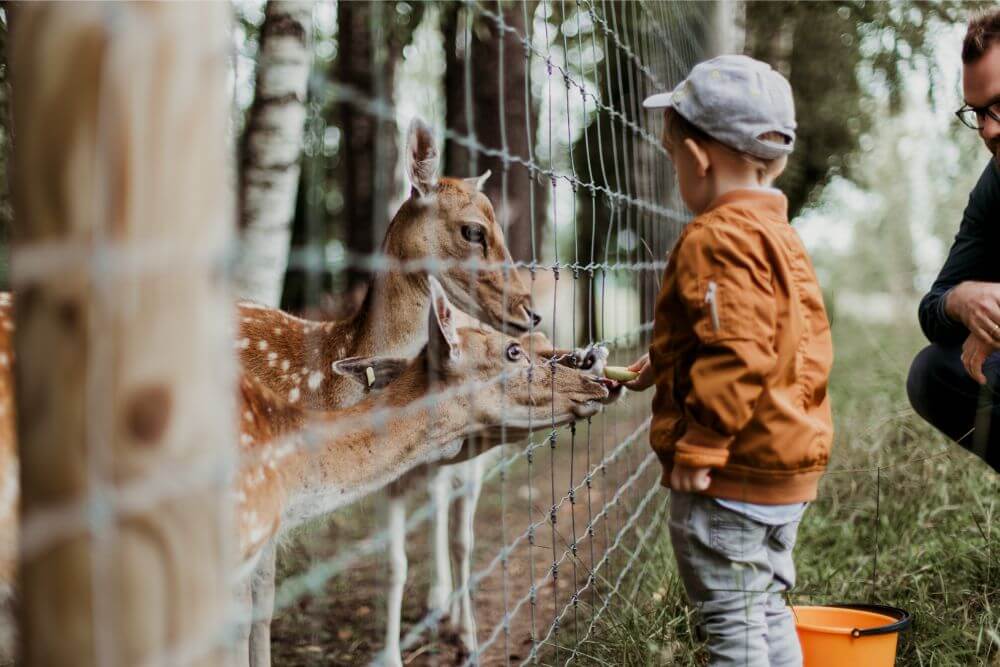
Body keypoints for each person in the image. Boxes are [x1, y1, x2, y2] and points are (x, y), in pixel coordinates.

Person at [624, 55, 834, 666]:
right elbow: (777, 341)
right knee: (766, 609)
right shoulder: (779, 237)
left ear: (697, 159)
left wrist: (703, 443)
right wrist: (666, 362)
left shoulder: (714, 237)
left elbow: (739, 350)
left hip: (731, 475)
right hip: (782, 470)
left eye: (673, 159)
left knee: (732, 626)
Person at [907, 8, 1000, 473]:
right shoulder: (995, 184)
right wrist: (963, 302)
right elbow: (933, 307)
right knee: (934, 373)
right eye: (979, 113)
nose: (989, 130)